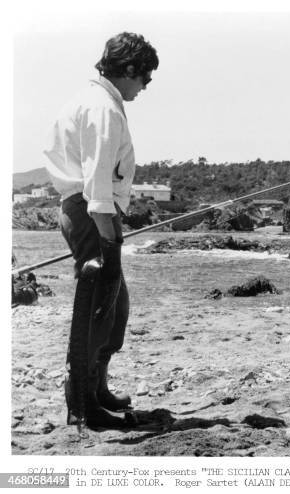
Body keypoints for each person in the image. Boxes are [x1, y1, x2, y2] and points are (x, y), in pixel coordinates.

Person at [43, 32, 159, 429]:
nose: (145, 86)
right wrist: (109, 233)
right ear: (129, 69)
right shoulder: (102, 107)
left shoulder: (98, 100)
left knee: (115, 309)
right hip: (93, 215)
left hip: (91, 214)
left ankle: (98, 388)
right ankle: (83, 406)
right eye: (144, 77)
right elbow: (96, 181)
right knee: (95, 314)